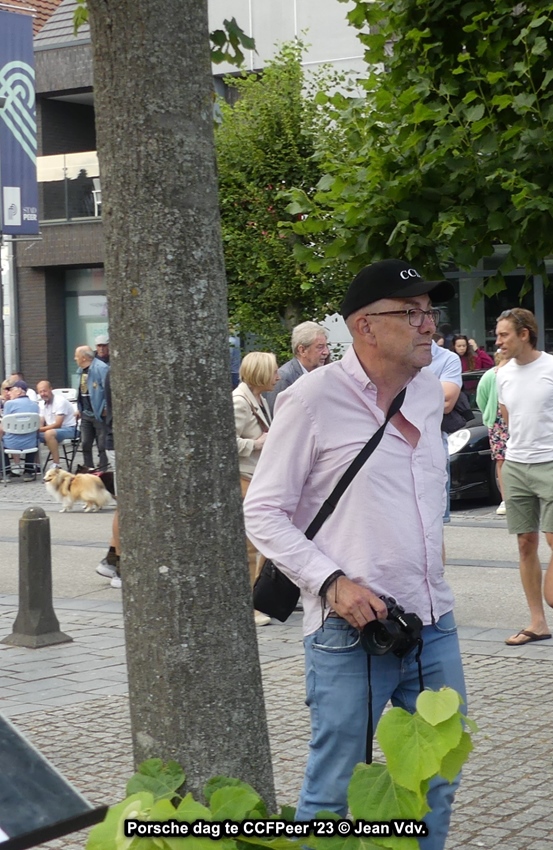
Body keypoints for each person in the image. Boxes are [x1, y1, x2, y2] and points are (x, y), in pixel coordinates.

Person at [244, 259, 466, 850]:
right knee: (335, 792)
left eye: (431, 312)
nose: (429, 325)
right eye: (412, 313)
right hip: (351, 628)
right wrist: (332, 583)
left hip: (433, 620)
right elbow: (262, 511)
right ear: (364, 326)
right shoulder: (311, 400)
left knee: (437, 778)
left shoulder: (426, 391)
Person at [495, 308, 553, 646]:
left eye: (504, 335)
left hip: (551, 463)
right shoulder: (502, 374)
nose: (498, 341)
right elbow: (508, 419)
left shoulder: (550, 367)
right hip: (517, 465)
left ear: (524, 334)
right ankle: (537, 623)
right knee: (525, 543)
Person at [233, 351, 279, 627]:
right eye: (273, 371)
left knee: (263, 542)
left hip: (256, 479)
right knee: (250, 546)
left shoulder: (257, 399)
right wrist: (256, 444)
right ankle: (248, 605)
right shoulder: (240, 402)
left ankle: (258, 599)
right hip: (245, 480)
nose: (278, 376)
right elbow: (226, 440)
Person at [426, 339, 462, 526]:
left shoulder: (447, 359)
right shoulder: (391, 356)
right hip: (392, 453)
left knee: (435, 527)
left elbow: (447, 402)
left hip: (432, 451)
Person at [264, 321, 329, 415]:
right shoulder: (284, 378)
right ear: (302, 350)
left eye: (326, 346)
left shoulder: (322, 374)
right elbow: (275, 416)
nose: (326, 352)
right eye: (320, 347)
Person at [475, 350, 510, 516]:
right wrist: (489, 415)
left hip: (518, 421)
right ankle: (506, 499)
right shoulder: (490, 376)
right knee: (501, 460)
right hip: (498, 423)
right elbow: (481, 398)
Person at [96, 370, 121, 588]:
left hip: (117, 439)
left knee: (125, 505)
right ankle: (121, 567)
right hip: (120, 441)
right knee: (127, 506)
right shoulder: (118, 369)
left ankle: (112, 560)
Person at [75, 345, 109, 471]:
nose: (75, 359)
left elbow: (107, 389)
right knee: (85, 443)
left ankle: (103, 470)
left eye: (77, 356)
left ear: (83, 358)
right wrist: (79, 407)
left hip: (98, 412)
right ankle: (89, 469)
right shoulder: (80, 371)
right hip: (85, 412)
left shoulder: (101, 368)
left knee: (102, 444)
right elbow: (80, 390)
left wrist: (105, 407)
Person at [1, 381, 40, 480]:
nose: (9, 392)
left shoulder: (9, 404)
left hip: (11, 444)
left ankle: (5, 472)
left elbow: (4, 426)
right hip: (31, 444)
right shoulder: (35, 405)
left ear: (19, 391)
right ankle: (28, 471)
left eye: (11, 390)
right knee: (33, 436)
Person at [37, 381, 77, 468]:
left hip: (69, 429)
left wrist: (39, 430)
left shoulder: (60, 401)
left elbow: (58, 424)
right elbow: (41, 421)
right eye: (40, 392)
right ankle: (37, 465)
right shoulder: (41, 403)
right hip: (53, 430)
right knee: (31, 435)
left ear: (51, 389)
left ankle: (56, 464)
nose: (43, 394)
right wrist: (37, 429)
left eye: (45, 391)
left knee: (48, 434)